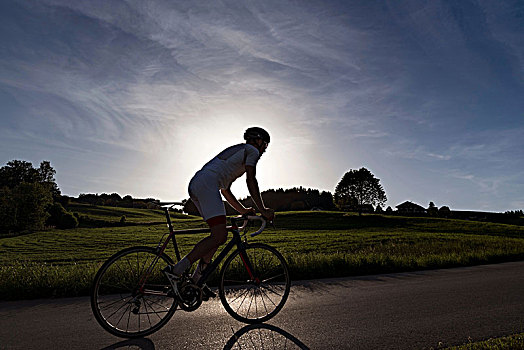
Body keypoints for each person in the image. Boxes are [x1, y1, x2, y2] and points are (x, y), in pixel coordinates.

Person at [165, 127, 275, 297]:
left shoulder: (238, 152)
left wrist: (243, 210)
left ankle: (196, 282)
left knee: (216, 236)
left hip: (199, 184)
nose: (264, 150)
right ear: (258, 141)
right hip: (207, 185)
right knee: (220, 235)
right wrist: (262, 209)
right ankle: (177, 270)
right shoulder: (251, 151)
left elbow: (226, 191)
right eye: (265, 145)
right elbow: (251, 180)